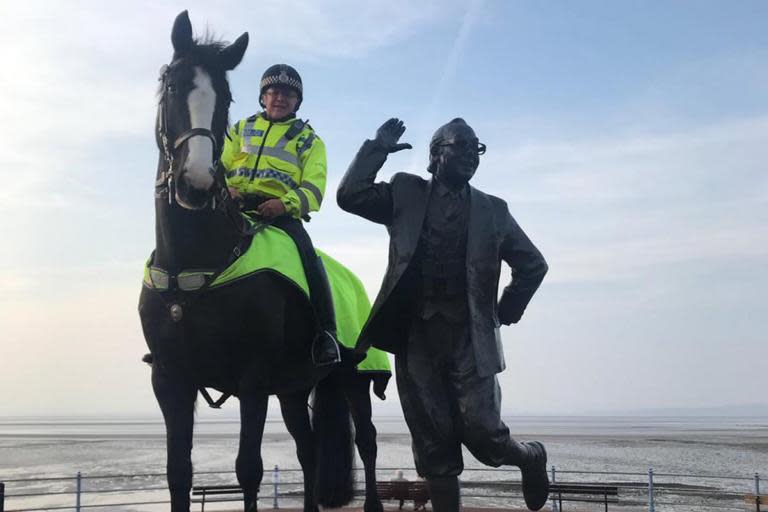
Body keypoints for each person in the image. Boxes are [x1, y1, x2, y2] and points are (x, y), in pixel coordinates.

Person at [337, 118, 550, 511]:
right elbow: (349, 195)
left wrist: (504, 311)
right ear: (436, 155)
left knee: (486, 435)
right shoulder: (405, 192)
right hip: (416, 336)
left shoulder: (493, 211)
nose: (471, 155)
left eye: (477, 149)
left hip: (470, 337)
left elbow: (533, 265)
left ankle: (530, 457)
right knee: (433, 443)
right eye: (462, 147)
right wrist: (377, 149)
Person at [221, 64, 339, 366]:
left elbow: (314, 188)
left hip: (279, 215)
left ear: (297, 101)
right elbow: (217, 166)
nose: (280, 98)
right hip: (231, 207)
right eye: (273, 92)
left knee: (308, 257)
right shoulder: (240, 129)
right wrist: (226, 190)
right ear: (263, 98)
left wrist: (283, 204)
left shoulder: (309, 140)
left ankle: (326, 335)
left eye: (288, 94)